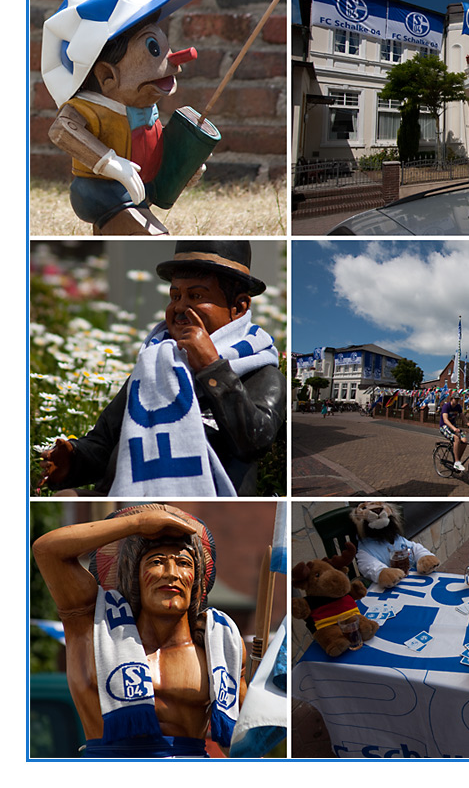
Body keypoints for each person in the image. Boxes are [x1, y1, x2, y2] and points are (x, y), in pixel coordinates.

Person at [38, 240, 286, 496]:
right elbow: (105, 440)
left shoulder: (264, 374)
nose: (179, 307)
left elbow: (253, 441)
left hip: (211, 494)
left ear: (238, 307)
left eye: (196, 296)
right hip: (130, 490)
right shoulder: (154, 364)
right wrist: (72, 459)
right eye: (175, 296)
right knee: (68, 498)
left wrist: (212, 369)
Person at [32, 504, 246, 757]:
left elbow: (244, 740)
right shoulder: (91, 625)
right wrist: (139, 524)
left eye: (184, 563)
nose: (172, 574)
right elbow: (47, 550)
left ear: (196, 579)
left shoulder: (219, 647)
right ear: (133, 575)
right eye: (157, 562)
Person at [41, 0, 203, 235]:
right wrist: (110, 163)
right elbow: (62, 130)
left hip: (142, 189)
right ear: (107, 75)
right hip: (103, 192)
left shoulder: (147, 108)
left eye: (164, 47)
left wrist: (185, 165)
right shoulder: (90, 109)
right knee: (155, 236)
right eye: (153, 49)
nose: (176, 61)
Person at [439, 392, 469, 472]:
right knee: (456, 438)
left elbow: (463, 417)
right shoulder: (446, 406)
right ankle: (457, 462)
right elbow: (445, 420)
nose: (457, 401)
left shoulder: (458, 407)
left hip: (453, 426)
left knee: (465, 441)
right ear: (452, 399)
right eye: (456, 399)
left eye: (458, 399)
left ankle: (457, 460)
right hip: (445, 426)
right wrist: (454, 428)